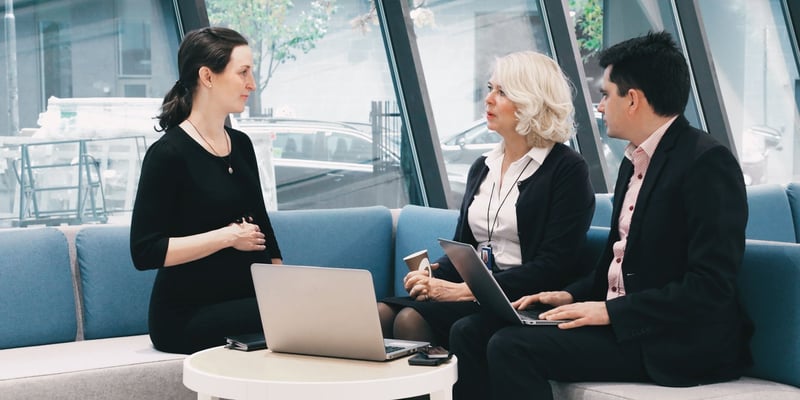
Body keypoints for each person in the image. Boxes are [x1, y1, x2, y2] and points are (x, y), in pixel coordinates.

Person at [449, 31, 752, 400]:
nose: (600, 106)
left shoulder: (706, 163)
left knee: (510, 345)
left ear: (634, 100)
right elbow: (615, 265)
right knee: (470, 332)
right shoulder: (634, 161)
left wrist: (612, 312)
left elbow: (710, 286)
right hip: (625, 323)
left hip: (673, 341)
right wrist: (566, 295)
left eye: (606, 94)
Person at [378, 51, 596, 346]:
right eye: (490, 88)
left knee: (410, 319)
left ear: (531, 100)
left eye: (502, 92)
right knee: (378, 314)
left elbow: (553, 267)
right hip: (475, 292)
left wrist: (463, 291)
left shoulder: (567, 169)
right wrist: (431, 274)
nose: (489, 99)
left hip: (522, 298)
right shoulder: (483, 166)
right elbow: (465, 248)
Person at [130, 27, 282, 355]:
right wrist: (227, 237)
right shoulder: (168, 154)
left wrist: (282, 289)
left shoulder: (240, 145)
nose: (252, 84)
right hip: (186, 315)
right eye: (243, 72)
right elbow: (145, 251)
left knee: (300, 309)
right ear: (207, 77)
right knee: (294, 316)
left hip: (244, 302)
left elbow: (263, 228)